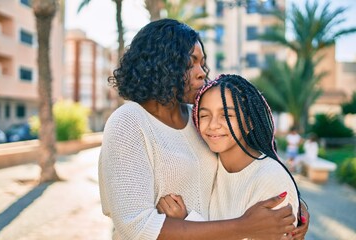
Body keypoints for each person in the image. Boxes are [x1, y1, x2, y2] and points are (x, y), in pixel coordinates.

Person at [99, 18, 308, 239]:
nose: (202, 72)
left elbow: (239, 168)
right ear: (161, 64)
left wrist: (291, 200)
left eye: (202, 63)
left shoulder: (198, 118)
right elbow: (136, 226)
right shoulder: (129, 121)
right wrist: (243, 226)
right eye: (191, 63)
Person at [157, 74, 304, 238]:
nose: (213, 125)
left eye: (226, 115)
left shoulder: (270, 178)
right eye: (204, 115)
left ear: (249, 123)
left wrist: (186, 222)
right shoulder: (211, 164)